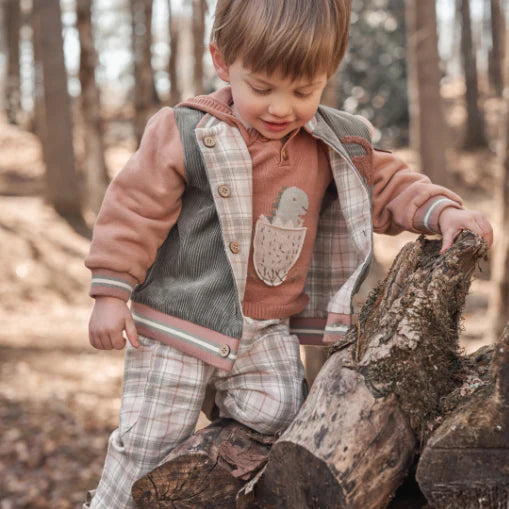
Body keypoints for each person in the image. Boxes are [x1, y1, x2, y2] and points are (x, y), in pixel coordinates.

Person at [83, 0, 493, 507]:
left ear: (327, 75)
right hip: (176, 329)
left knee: (281, 421)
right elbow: (134, 208)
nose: (282, 108)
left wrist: (441, 212)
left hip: (267, 331)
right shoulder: (187, 132)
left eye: (304, 91)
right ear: (222, 61)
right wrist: (110, 290)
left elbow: (387, 184)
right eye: (262, 88)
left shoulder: (334, 141)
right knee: (149, 444)